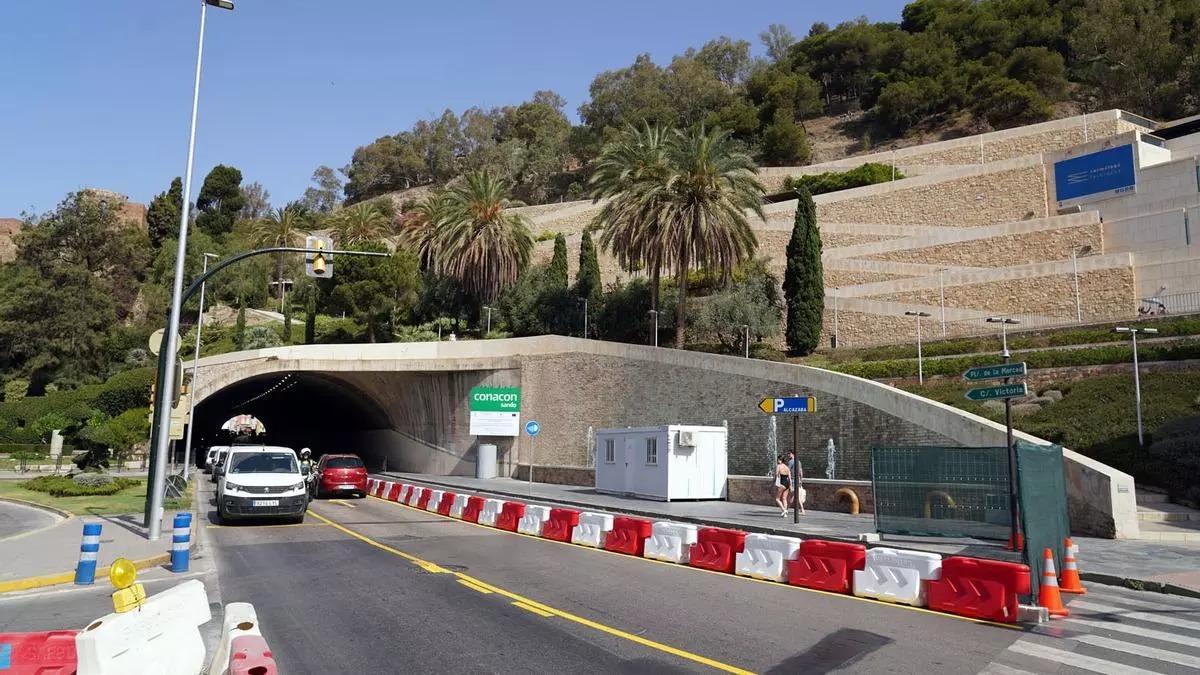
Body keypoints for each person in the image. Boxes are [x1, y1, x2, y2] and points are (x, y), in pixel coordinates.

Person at [788, 451, 806, 515]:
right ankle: (786, 509)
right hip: (798, 480)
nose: (788, 455)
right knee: (793, 495)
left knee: (795, 495)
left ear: (793, 454)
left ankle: (802, 509)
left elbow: (788, 472)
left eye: (789, 454)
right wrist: (801, 480)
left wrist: (789, 483)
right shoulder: (799, 461)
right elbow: (801, 471)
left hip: (793, 480)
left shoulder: (790, 462)